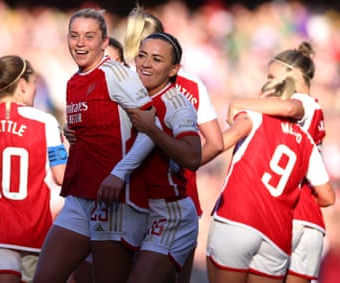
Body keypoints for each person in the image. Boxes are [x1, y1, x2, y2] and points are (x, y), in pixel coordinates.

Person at [33, 8, 154, 283]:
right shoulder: (73, 81)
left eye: (89, 36)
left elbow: (151, 129)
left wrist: (119, 173)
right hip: (79, 198)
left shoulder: (115, 73)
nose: (80, 43)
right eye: (74, 36)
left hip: (113, 199)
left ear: (103, 41)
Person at [123, 5, 224, 282]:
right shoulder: (192, 82)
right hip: (180, 193)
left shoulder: (125, 80)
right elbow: (215, 142)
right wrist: (181, 162)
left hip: (136, 196)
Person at [206, 76, 336, 283]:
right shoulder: (306, 140)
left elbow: (219, 144)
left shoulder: (254, 117)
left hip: (239, 217)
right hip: (278, 231)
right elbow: (328, 196)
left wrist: (189, 157)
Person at [0, 55, 67, 283]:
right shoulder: (45, 122)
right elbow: (61, 177)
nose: (36, 90)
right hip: (34, 230)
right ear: (22, 84)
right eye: (35, 84)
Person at [227, 42, 327, 283]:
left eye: (272, 76)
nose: (270, 81)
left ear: (292, 74)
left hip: (289, 211)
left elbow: (290, 107)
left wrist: (240, 103)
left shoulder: (303, 102)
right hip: (310, 216)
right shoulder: (316, 108)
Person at [121, 31, 202, 283]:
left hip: (168, 213)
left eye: (156, 59)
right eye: (142, 56)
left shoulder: (177, 104)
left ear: (173, 69)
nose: (145, 63)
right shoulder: (128, 95)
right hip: (133, 208)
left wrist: (152, 129)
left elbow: (193, 157)